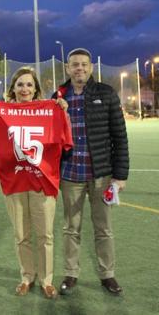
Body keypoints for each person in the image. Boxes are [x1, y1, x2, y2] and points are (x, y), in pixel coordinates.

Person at [0, 67, 72, 299]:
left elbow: (64, 139)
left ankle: (46, 280)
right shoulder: (0, 111)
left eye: (29, 85)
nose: (25, 89)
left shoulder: (51, 109)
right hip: (15, 180)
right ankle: (26, 276)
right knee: (21, 234)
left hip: (43, 180)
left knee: (45, 235)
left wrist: (63, 111)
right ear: (13, 88)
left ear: (36, 89)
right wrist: (2, 151)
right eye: (20, 84)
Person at [52, 48, 129, 295]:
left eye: (84, 64)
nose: (80, 69)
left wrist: (120, 176)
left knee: (103, 228)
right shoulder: (57, 96)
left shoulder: (105, 94)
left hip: (101, 175)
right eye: (75, 65)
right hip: (70, 175)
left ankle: (108, 275)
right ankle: (71, 274)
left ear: (91, 67)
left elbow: (120, 137)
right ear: (67, 68)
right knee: (70, 229)